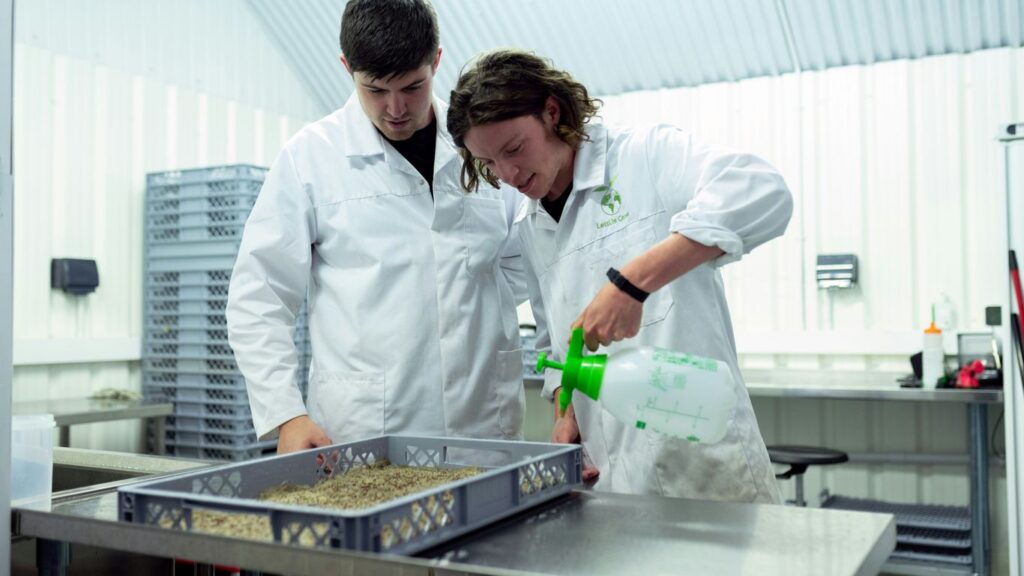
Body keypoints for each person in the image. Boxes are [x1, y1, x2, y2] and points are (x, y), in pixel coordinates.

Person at [446, 49, 792, 503]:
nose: (508, 174)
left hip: (705, 471)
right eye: (489, 164)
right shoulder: (530, 228)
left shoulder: (645, 156)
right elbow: (556, 339)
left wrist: (632, 284)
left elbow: (762, 190)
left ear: (552, 112)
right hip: (614, 484)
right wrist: (564, 410)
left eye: (514, 149)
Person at [226, 0, 528, 454]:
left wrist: (471, 310)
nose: (396, 109)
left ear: (437, 61)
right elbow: (259, 295)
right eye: (375, 90)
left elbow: (523, 262)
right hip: (364, 427)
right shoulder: (310, 157)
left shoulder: (481, 145)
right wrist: (287, 414)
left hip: (483, 422)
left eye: (413, 86)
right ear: (347, 68)